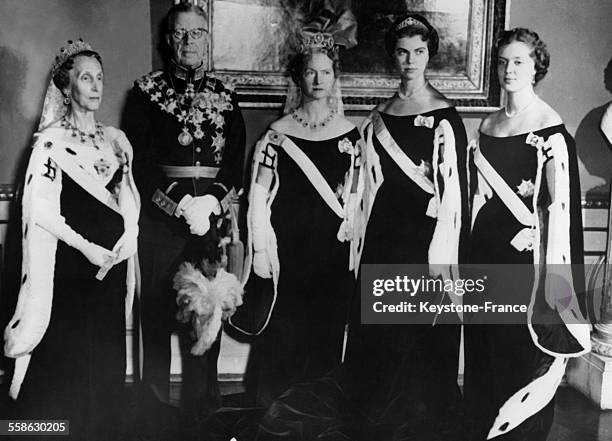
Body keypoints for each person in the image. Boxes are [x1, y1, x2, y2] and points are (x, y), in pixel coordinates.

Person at [339, 13, 469, 440]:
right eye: (402, 52)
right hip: (383, 236)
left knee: (421, 339)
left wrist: (443, 252)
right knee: (379, 337)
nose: (410, 60)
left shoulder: (446, 117)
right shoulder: (379, 115)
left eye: (418, 52)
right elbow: (365, 182)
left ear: (429, 54)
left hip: (425, 240)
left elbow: (454, 196)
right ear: (392, 56)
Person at [3, 39, 140, 440]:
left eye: (99, 77)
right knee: (70, 357)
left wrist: (128, 239)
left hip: (110, 267)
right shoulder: (50, 142)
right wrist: (86, 248)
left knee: (109, 352)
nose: (95, 86)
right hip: (74, 269)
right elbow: (41, 211)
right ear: (67, 87)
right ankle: (57, 431)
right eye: (85, 78)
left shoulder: (113, 140)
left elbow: (126, 196)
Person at [121, 0, 246, 424]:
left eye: (197, 34)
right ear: (167, 38)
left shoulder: (226, 97)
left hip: (210, 227)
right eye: (180, 33)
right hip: (161, 226)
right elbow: (140, 162)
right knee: (156, 320)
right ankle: (153, 418)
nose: (188, 42)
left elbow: (234, 162)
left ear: (207, 40)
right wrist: (182, 203)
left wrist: (212, 201)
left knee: (206, 319)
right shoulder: (145, 93)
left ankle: (202, 413)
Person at [464, 28, 590, 440]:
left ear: (537, 67)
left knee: (519, 355)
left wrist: (536, 235)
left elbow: (562, 209)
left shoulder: (551, 130)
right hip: (484, 256)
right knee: (484, 354)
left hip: (526, 265)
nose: (508, 70)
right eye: (502, 62)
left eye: (518, 61)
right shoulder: (488, 124)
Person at [238, 3, 359, 411]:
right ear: (298, 77)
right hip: (289, 250)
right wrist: (260, 250)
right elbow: (258, 197)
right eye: (311, 71)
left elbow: (358, 196)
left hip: (331, 248)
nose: (318, 79)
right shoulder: (277, 135)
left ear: (334, 77)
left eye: (326, 72)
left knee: (326, 329)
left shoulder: (351, 136)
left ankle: (320, 414)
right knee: (286, 331)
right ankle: (277, 413)